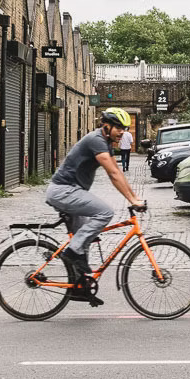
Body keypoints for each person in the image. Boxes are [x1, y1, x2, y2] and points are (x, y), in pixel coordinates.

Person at [45, 107, 146, 305]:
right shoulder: (96, 140)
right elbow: (113, 174)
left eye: (124, 128)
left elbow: (117, 171)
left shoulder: (105, 144)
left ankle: (79, 287)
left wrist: (134, 197)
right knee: (105, 212)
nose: (122, 132)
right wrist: (132, 201)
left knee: (84, 239)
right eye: (118, 127)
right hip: (63, 191)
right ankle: (72, 252)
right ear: (106, 126)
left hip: (70, 191)